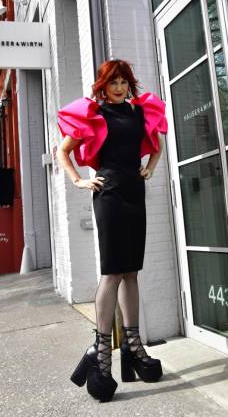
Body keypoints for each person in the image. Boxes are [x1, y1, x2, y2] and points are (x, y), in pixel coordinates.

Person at [57, 59, 168, 402]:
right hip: (109, 195)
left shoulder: (138, 112)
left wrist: (149, 168)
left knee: (132, 271)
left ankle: (133, 345)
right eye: (113, 82)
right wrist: (79, 180)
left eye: (123, 81)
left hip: (135, 192)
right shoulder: (95, 114)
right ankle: (102, 352)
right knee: (112, 273)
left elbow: (157, 145)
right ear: (102, 85)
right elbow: (63, 151)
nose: (119, 87)